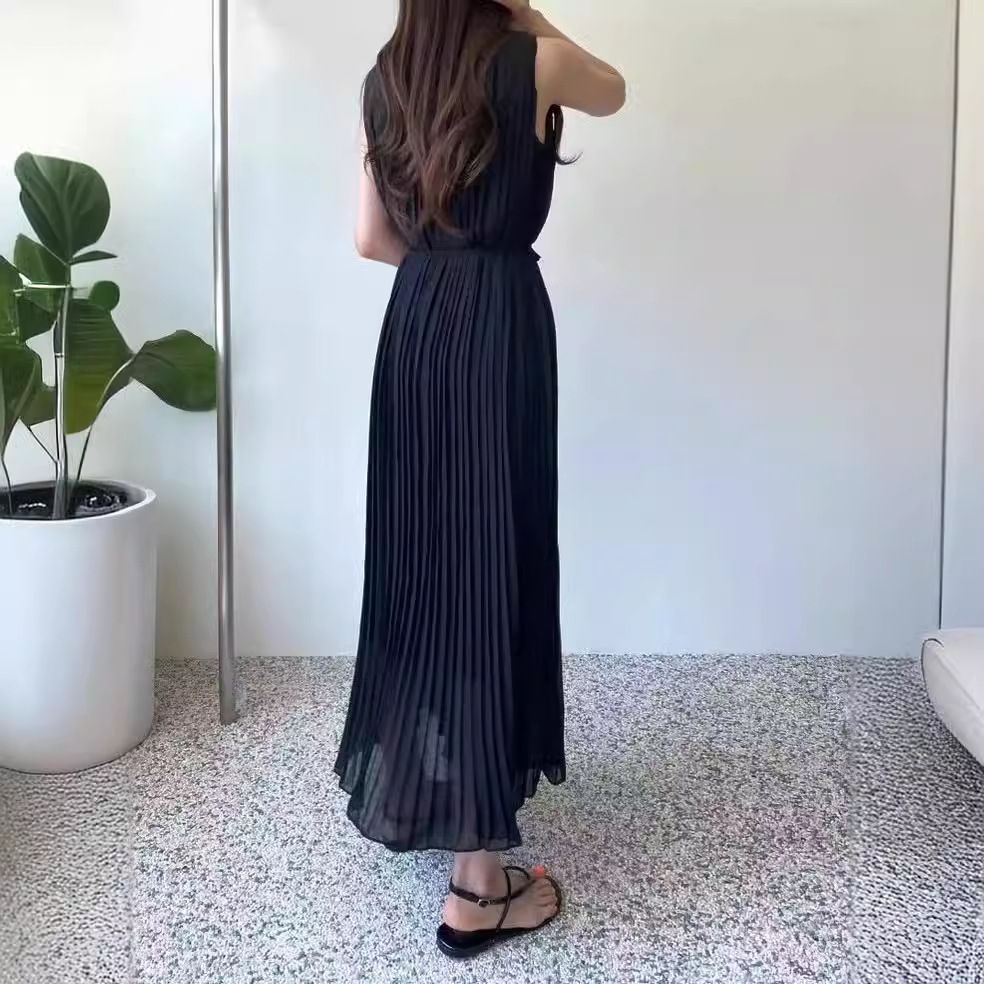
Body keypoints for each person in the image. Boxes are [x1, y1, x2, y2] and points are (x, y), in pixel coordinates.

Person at [334, 0, 625, 959]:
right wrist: (527, 13)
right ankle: (477, 885)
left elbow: (371, 239)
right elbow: (616, 90)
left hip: (418, 324)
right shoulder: (535, 61)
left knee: (426, 556)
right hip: (500, 323)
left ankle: (436, 780)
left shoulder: (384, 81)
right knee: (494, 557)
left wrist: (440, 263)